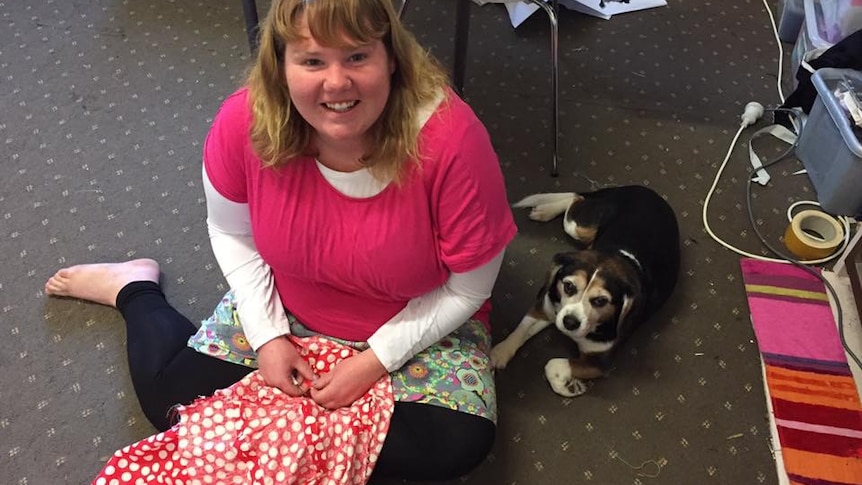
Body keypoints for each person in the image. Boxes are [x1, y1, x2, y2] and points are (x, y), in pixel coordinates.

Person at [45, 0, 516, 481]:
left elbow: (467, 288)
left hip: (418, 317)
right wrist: (268, 334)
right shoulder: (243, 120)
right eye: (312, 60)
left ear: (391, 58)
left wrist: (375, 361)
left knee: (456, 443)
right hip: (289, 304)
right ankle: (133, 288)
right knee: (169, 393)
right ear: (281, 65)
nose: (336, 83)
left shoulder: (452, 140)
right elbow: (230, 232)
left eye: (357, 56)